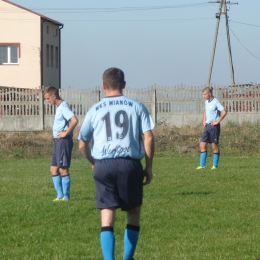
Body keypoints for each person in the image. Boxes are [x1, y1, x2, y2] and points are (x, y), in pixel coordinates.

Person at [78, 67, 155, 260]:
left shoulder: (94, 109)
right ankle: (127, 258)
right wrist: (149, 166)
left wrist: (92, 161)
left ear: (103, 85)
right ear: (124, 85)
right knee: (133, 211)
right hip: (130, 164)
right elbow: (149, 137)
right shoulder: (136, 106)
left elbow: (81, 143)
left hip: (103, 165)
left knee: (107, 214)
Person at [44, 86, 78, 201]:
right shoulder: (59, 107)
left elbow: (74, 120)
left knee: (63, 169)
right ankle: (59, 196)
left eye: (48, 98)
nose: (47, 101)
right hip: (58, 141)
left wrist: (65, 133)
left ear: (54, 96)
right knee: (53, 168)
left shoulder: (63, 107)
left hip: (63, 141)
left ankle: (66, 197)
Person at [196, 87, 227, 170]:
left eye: (205, 94)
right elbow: (205, 110)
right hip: (207, 126)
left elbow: (224, 112)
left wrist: (217, 121)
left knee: (214, 146)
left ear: (210, 94)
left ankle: (215, 166)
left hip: (214, 127)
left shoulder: (216, 102)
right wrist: (204, 120)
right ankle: (202, 165)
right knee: (202, 144)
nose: (203, 96)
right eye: (203, 94)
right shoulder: (206, 102)